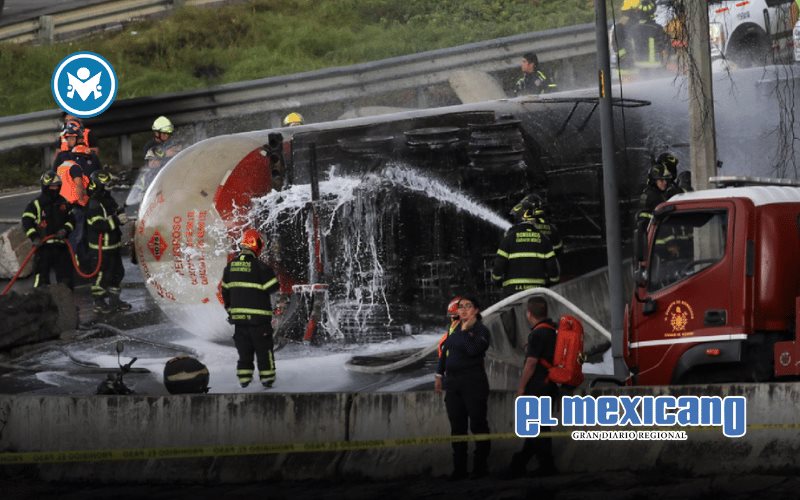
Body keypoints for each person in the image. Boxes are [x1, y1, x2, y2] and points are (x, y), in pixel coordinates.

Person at [434, 296, 492, 480]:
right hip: (453, 384)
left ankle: (480, 469)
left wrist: (466, 332)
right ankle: (459, 469)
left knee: (478, 425)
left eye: (468, 306)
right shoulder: (455, 329)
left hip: (473, 384)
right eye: (461, 307)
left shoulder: (481, 331)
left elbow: (473, 350)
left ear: (476, 310)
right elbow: (445, 351)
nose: (464, 310)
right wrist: (438, 374)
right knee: (457, 428)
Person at [506, 296, 559, 478]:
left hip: (537, 387)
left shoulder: (537, 333)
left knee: (537, 429)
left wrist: (521, 388)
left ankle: (538, 465)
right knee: (538, 428)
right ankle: (524, 463)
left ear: (529, 314)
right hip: (550, 385)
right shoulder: (552, 330)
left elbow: (531, 364)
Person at [221, 229, 280, 389]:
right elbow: (273, 288)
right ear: (257, 245)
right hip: (259, 322)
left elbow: (225, 293)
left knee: (244, 353)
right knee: (264, 352)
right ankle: (267, 381)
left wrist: (231, 309)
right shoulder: (261, 267)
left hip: (239, 322)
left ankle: (244, 380)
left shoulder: (230, 267)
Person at [86, 171, 131, 313]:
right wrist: (117, 220)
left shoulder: (108, 200)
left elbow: (113, 213)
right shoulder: (94, 204)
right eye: (106, 185)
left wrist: (120, 213)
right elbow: (98, 225)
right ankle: (98, 302)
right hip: (100, 249)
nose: (109, 187)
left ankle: (115, 300)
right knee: (101, 276)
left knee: (117, 273)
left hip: (113, 246)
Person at [20, 171, 75, 289]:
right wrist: (34, 237)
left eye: (57, 186)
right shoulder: (36, 204)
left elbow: (72, 220)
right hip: (43, 248)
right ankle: (40, 305)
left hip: (61, 247)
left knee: (66, 279)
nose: (54, 189)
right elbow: (26, 221)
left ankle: (66, 305)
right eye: (52, 186)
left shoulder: (63, 203)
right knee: (41, 280)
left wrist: (65, 229)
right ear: (45, 186)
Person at [492, 209, 560, 296]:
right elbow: (552, 266)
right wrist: (553, 283)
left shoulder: (508, 238)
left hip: (512, 292)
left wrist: (496, 280)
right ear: (533, 220)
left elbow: (499, 264)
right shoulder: (544, 239)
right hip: (537, 291)